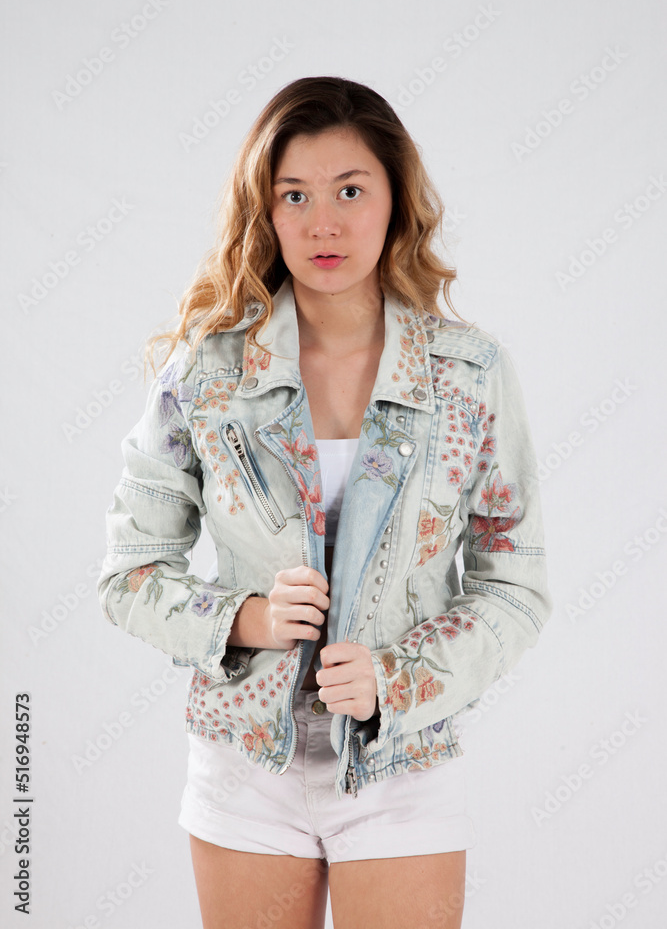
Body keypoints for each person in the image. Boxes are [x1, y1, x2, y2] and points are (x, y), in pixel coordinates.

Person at [98, 75, 552, 929]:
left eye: (350, 190)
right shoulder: (207, 371)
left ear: (394, 201)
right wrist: (247, 620)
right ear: (266, 214)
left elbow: (513, 585)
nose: (323, 223)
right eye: (294, 196)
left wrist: (399, 677)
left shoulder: (467, 375)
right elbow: (127, 573)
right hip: (243, 765)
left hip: (402, 762)